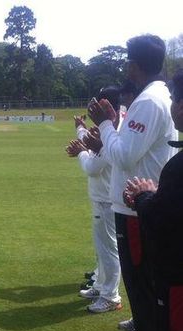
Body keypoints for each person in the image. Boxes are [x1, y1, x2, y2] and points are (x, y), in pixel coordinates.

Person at [87, 34, 177, 331]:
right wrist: (107, 136)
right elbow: (124, 150)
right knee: (139, 283)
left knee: (141, 287)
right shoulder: (153, 98)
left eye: (128, 61)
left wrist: (106, 124)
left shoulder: (148, 101)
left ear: (134, 65)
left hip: (136, 208)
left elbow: (124, 155)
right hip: (133, 205)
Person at [123, 70, 183, 331]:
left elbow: (162, 224)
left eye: (175, 98)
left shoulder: (176, 170)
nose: (171, 105)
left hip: (177, 289)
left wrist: (145, 196)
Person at [66, 86, 122, 313]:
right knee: (102, 249)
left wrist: (81, 151)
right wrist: (81, 131)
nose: (94, 109)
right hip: (102, 199)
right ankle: (100, 286)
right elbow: (91, 144)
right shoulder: (107, 129)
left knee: (109, 250)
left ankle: (111, 296)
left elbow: (92, 166)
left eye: (98, 105)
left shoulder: (114, 133)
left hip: (108, 201)